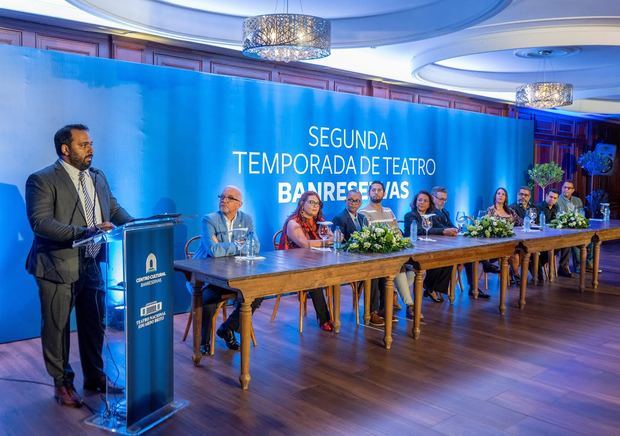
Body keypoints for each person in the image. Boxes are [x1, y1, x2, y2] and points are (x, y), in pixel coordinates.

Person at [25, 124, 133, 408]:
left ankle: (95, 377)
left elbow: (113, 208)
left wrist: (137, 227)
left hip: (93, 263)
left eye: (91, 144)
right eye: (83, 145)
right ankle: (63, 384)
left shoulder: (97, 177)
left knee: (94, 325)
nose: (91, 149)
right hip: (56, 266)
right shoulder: (42, 179)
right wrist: (85, 231)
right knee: (58, 329)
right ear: (65, 149)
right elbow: (41, 223)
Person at [193, 185, 262, 354]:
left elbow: (255, 247)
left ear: (239, 204)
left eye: (230, 198)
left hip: (235, 274)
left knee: (257, 294)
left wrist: (225, 245)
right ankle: (203, 341)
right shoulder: (209, 220)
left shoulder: (246, 219)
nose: (224, 200)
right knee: (208, 298)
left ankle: (227, 328)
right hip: (208, 275)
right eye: (222, 196)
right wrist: (239, 246)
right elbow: (213, 251)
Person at [360, 181, 415, 322]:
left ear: (384, 193)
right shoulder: (363, 213)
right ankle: (409, 305)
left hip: (394, 253)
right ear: (369, 193)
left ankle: (394, 297)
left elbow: (397, 232)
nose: (376, 192)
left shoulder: (389, 211)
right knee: (396, 269)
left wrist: (399, 242)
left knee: (415, 270)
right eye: (373, 190)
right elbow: (367, 237)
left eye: (379, 190)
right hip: (375, 256)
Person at [279, 191, 333, 331]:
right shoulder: (293, 222)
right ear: (302, 204)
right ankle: (324, 320)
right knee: (313, 276)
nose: (316, 206)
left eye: (318, 204)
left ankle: (334, 315)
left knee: (334, 272)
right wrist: (325, 242)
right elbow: (304, 243)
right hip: (293, 266)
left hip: (314, 262)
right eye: (312, 203)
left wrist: (330, 239)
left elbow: (331, 238)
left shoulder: (319, 220)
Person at [403, 190, 453, 303]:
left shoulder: (431, 216)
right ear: (415, 202)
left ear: (429, 203)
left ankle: (432, 288)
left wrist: (450, 229)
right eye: (419, 200)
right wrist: (443, 231)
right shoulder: (410, 215)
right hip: (412, 250)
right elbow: (420, 230)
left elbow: (441, 227)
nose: (421, 203)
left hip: (429, 248)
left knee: (448, 260)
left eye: (425, 201)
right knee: (434, 261)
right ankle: (430, 288)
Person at [556, 180, 588, 277]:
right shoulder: (557, 199)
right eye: (564, 187)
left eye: (568, 188)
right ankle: (565, 267)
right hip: (562, 229)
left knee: (590, 240)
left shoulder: (577, 200)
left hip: (576, 228)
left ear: (573, 190)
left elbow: (582, 214)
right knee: (570, 241)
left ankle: (586, 265)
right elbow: (558, 216)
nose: (566, 189)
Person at [536, 188, 560, 281]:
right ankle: (536, 265)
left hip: (551, 236)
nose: (552, 199)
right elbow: (537, 223)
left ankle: (538, 264)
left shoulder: (556, 207)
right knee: (549, 247)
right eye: (550, 197)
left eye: (554, 198)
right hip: (540, 236)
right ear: (546, 196)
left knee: (559, 246)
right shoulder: (539, 207)